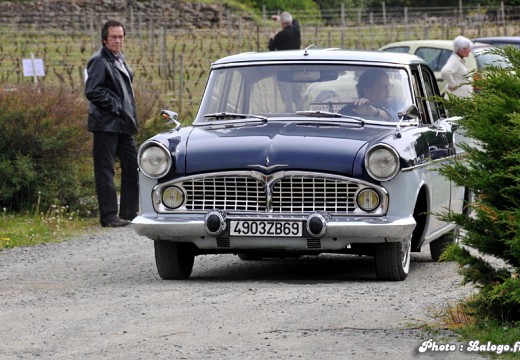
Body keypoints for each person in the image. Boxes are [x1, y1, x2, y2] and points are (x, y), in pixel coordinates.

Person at [85, 20, 139, 228]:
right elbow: (92, 90)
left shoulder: (119, 59)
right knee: (105, 170)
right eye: (114, 37)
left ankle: (129, 212)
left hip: (123, 124)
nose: (118, 40)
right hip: (105, 124)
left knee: (132, 166)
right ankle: (108, 217)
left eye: (121, 37)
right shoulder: (99, 61)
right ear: (104, 39)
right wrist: (116, 105)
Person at [268, 12, 303, 112]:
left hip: (284, 69)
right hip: (296, 67)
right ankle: (302, 112)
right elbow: (296, 21)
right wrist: (281, 18)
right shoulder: (296, 30)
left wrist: (271, 37)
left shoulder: (281, 35)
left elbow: (271, 47)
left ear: (282, 24)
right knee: (298, 95)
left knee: (287, 95)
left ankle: (288, 113)